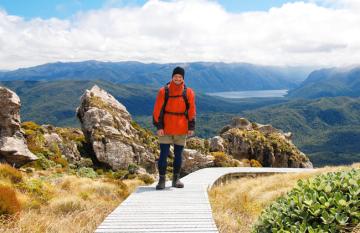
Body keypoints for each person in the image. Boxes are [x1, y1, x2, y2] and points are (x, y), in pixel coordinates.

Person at [152, 66, 196, 190]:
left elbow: (192, 110)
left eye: (180, 77)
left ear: (183, 78)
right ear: (172, 77)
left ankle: (176, 179)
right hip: (166, 128)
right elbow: (157, 110)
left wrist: (191, 126)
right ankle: (162, 181)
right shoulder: (163, 91)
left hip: (182, 128)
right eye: (175, 76)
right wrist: (159, 126)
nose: (177, 78)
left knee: (178, 155)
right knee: (163, 155)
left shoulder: (189, 92)